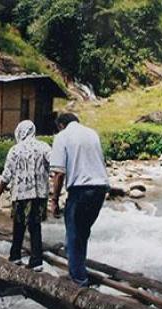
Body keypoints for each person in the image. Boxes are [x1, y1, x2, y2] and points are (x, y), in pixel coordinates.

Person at [49, 113, 109, 287]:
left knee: (74, 235)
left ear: (61, 125)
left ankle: (78, 281)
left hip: (80, 190)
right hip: (100, 189)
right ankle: (78, 269)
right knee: (82, 232)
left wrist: (54, 200)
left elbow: (59, 173)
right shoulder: (92, 133)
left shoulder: (62, 136)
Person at [0, 120, 51, 271]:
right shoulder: (44, 147)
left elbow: (6, 176)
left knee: (19, 225)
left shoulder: (15, 150)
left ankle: (15, 256)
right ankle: (37, 261)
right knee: (35, 226)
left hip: (21, 195)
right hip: (39, 194)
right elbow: (55, 165)